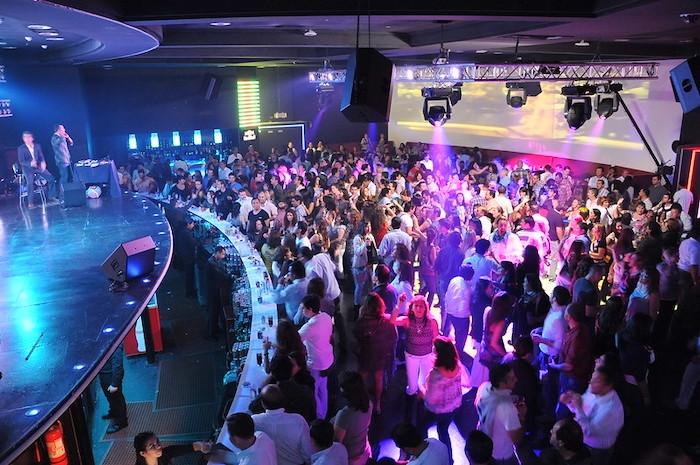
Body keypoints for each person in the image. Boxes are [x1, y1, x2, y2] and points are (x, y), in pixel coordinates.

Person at [560, 366, 624, 465]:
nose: (590, 383)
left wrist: (578, 407)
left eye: (596, 381)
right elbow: (583, 407)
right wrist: (570, 401)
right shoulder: (593, 389)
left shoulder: (610, 409)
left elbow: (588, 431)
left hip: (596, 448)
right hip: (583, 440)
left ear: (608, 386)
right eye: (592, 378)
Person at [390, 295, 439, 418]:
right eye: (416, 306)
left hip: (427, 356)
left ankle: (421, 410)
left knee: (424, 384)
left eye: (421, 306)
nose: (418, 308)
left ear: (426, 308)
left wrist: (436, 356)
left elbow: (436, 339)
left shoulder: (432, 321)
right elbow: (392, 320)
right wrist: (399, 304)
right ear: (411, 308)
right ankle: (409, 410)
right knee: (412, 387)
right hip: (411, 356)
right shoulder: (407, 320)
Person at [420, 336, 466, 464]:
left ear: (438, 353)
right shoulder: (457, 365)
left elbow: (430, 399)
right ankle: (449, 460)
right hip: (454, 407)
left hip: (439, 410)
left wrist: (421, 391)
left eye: (434, 348)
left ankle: (425, 455)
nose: (432, 349)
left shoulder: (436, 374)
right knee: (443, 431)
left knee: (421, 427)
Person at [353, 293, 398, 415]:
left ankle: (365, 402)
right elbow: (393, 337)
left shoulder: (361, 322)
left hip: (365, 354)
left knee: (362, 379)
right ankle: (377, 404)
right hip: (380, 354)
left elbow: (355, 334)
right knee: (379, 379)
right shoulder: (386, 321)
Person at [475, 363, 526, 465]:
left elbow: (476, 404)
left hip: (486, 445)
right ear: (502, 383)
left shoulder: (484, 387)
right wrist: (522, 416)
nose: (516, 380)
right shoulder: (507, 408)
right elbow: (516, 438)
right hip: (502, 454)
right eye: (512, 379)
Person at [251, 385, 312, 465]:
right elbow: (307, 452)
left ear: (262, 404)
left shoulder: (254, 420)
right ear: (283, 401)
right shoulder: (298, 420)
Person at [551, 303, 593, 419]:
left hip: (572, 379)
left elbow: (569, 366)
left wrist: (554, 366)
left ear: (568, 316)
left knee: (564, 410)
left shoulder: (578, 336)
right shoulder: (580, 329)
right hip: (572, 377)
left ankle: (562, 428)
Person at [298, 294, 334, 420]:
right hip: (328, 359)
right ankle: (324, 413)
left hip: (316, 363)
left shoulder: (310, 326)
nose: (302, 311)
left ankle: (319, 417)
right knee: (323, 388)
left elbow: (295, 339)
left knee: (314, 390)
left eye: (303, 308)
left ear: (310, 309)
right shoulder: (326, 316)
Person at [332, 372, 373, 465]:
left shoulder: (344, 414)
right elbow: (366, 426)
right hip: (363, 450)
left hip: (350, 457)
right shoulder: (368, 404)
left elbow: (337, 443)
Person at [17, 130, 58, 206]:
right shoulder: (21, 148)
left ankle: (52, 196)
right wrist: (30, 163)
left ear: (32, 138)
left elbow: (41, 156)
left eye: (28, 137)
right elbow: (21, 161)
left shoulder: (37, 146)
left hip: (37, 166)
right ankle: (30, 202)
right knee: (30, 183)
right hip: (27, 169)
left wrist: (43, 162)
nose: (27, 139)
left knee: (51, 178)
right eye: (25, 137)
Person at [444, 264, 475, 355]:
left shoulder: (454, 280)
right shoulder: (466, 288)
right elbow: (463, 307)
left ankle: (444, 348)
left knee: (447, 331)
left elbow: (448, 294)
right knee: (461, 338)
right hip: (461, 316)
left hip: (449, 311)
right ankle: (458, 354)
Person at [132, 431, 211, 465]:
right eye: (152, 446)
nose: (158, 446)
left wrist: (201, 446)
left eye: (157, 441)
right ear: (143, 453)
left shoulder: (164, 454)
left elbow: (187, 448)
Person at [100, 344, 128, 433]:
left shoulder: (115, 345)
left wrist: (115, 384)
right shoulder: (108, 342)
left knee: (117, 399)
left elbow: (118, 366)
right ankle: (113, 412)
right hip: (104, 375)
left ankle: (121, 422)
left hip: (110, 377)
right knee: (110, 398)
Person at [351, 221, 376, 317]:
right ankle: (356, 307)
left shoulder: (370, 236)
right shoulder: (357, 238)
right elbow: (357, 252)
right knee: (359, 287)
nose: (368, 228)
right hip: (359, 267)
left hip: (369, 266)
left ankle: (370, 306)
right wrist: (365, 244)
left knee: (371, 286)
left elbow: (374, 250)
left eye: (369, 226)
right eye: (366, 226)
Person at [51, 124, 73, 197]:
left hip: (67, 160)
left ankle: (67, 193)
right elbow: (56, 144)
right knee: (64, 178)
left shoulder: (62, 137)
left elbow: (71, 143)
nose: (64, 130)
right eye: (63, 129)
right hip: (61, 161)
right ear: (59, 130)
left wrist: (68, 137)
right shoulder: (54, 138)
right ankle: (62, 195)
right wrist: (62, 136)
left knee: (69, 178)